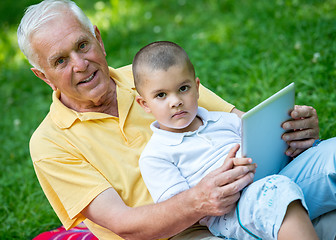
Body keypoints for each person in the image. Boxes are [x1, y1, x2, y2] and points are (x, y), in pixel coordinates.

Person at [16, 0, 335, 239]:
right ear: (43, 76)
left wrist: (288, 132)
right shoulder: (50, 143)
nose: (80, 64)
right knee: (306, 216)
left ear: (98, 39)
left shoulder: (156, 76)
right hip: (179, 235)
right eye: (61, 60)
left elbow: (241, 124)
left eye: (82, 45)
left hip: (251, 186)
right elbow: (124, 226)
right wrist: (199, 201)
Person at [132, 41, 320, 239]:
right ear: (145, 104)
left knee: (328, 154)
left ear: (197, 88)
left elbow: (260, 143)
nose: (176, 101)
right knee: (277, 192)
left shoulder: (225, 120)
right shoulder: (155, 156)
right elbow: (181, 209)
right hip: (230, 211)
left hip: (270, 173)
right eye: (161, 95)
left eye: (183, 88)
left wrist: (285, 136)